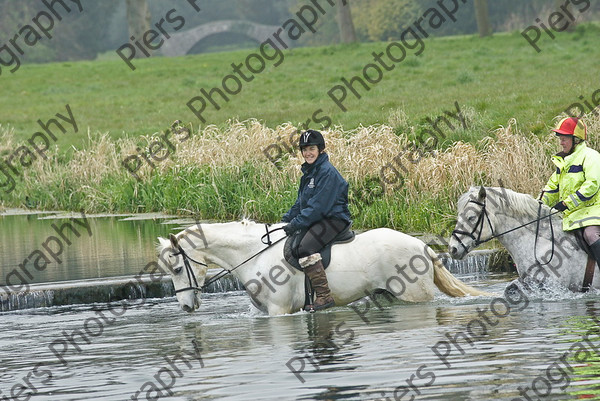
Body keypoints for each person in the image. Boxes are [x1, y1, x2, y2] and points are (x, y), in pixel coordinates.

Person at [281, 129, 351, 310]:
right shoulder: (310, 172)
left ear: (320, 149)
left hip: (333, 219)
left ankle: (324, 295)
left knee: (305, 247)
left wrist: (296, 224)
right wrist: (285, 221)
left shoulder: (327, 172)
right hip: (320, 218)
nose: (307, 153)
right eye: (304, 149)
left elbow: (317, 208)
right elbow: (301, 203)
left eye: (311, 148)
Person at [540, 117, 600, 289]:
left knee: (590, 235)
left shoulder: (591, 157)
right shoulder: (563, 162)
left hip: (594, 212)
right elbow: (552, 187)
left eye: (564, 138)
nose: (561, 142)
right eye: (560, 138)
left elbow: (592, 185)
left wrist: (566, 203)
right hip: (573, 216)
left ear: (576, 139)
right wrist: (539, 205)